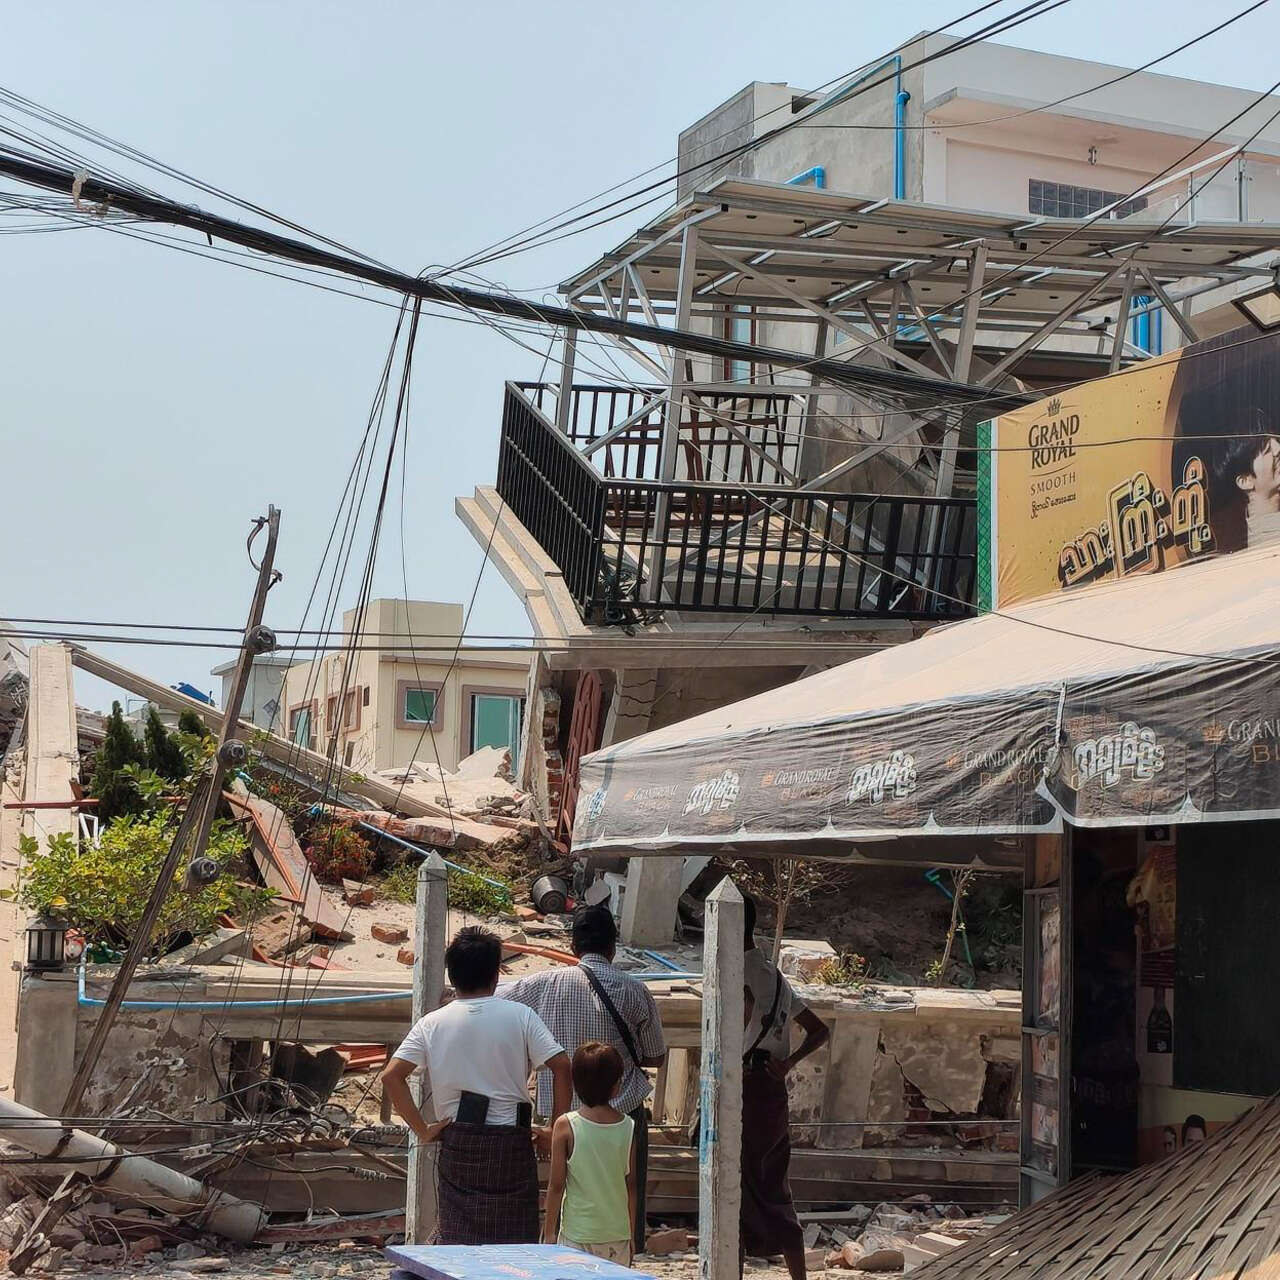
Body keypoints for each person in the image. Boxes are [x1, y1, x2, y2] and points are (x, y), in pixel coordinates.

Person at [382, 926, 573, 1245]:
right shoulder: (521, 1015)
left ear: (452, 976)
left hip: (460, 1140)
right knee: (515, 1243)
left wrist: (423, 1130)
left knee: (458, 1238)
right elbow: (562, 1066)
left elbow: (391, 1076)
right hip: (512, 1141)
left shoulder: (432, 1022)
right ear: (495, 975)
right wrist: (555, 1129)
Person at [502, 904, 666, 1253]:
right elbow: (656, 1057)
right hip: (622, 1114)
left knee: (565, 1191)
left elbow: (492, 999)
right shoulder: (634, 990)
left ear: (574, 945)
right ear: (613, 945)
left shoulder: (543, 984)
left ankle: (562, 1250)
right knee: (622, 1188)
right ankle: (625, 1252)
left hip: (565, 1120)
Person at [740, 894, 830, 1280]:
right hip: (770, 1089)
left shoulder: (737, 973)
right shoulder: (771, 974)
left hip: (745, 1087)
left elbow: (733, 1028)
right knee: (772, 1181)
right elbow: (818, 1029)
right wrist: (789, 1062)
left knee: (739, 1184)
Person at [543, 1042, 635, 1265]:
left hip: (577, 1233)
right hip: (617, 1234)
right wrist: (631, 1233)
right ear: (616, 1085)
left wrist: (548, 1233)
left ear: (575, 1084)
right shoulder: (628, 1126)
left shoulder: (565, 1125)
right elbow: (631, 1185)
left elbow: (556, 1186)